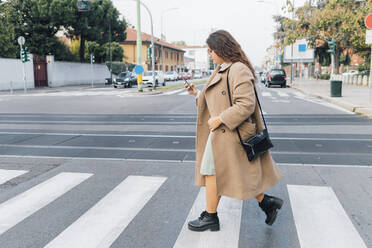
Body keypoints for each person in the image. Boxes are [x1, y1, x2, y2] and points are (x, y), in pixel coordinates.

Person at [184, 30, 283, 232]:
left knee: (213, 171)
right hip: (222, 133)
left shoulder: (239, 70)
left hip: (231, 133)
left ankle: (211, 216)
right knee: (235, 174)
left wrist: (220, 118)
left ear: (222, 48)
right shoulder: (222, 69)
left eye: (211, 50)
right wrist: (197, 94)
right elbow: (217, 100)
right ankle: (267, 203)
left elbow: (246, 104)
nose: (210, 54)